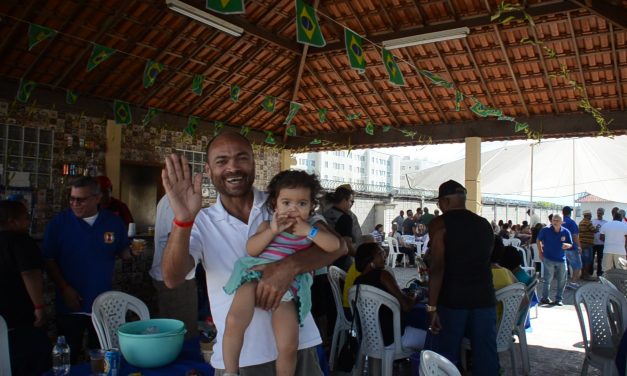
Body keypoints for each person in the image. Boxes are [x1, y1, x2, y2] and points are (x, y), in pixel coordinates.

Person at [160, 131, 345, 375]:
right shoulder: (202, 221)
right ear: (208, 169)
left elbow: (338, 246)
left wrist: (287, 267)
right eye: (222, 161)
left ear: (254, 162)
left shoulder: (285, 201)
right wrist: (183, 220)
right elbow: (171, 277)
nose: (233, 167)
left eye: (241, 158)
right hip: (240, 359)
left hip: (296, 348)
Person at [221, 170, 339, 376]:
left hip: (287, 291)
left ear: (312, 206)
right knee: (234, 322)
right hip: (253, 278)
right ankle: (230, 372)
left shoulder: (311, 230)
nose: (293, 209)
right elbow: (251, 249)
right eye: (286, 203)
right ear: (275, 204)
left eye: (302, 204)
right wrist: (272, 231)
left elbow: (335, 245)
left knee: (288, 344)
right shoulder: (268, 225)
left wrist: (309, 232)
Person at [42, 176, 140, 363]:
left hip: (102, 304)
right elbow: (49, 259)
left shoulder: (113, 222)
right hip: (71, 304)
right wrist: (64, 288)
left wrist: (134, 252)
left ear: (97, 198)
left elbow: (123, 252)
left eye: (81, 199)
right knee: (68, 357)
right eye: (72, 198)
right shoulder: (59, 223)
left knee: (101, 357)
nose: (75, 203)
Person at [427, 180, 498, 374]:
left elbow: (437, 267)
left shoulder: (439, 224)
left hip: (453, 300)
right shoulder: (485, 224)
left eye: (439, 203)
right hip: (484, 298)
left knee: (446, 357)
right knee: (487, 356)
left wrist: (432, 307)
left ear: (445, 202)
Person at [0, 200, 51, 375]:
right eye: (25, 217)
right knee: (34, 364)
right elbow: (30, 274)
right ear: (12, 221)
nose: (28, 221)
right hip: (21, 319)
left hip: (3, 321)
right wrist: (39, 307)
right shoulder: (20, 241)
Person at [353, 242, 426, 350]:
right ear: (370, 259)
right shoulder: (383, 275)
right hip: (393, 339)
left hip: (368, 338)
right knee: (434, 336)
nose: (385, 255)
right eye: (381, 253)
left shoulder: (357, 282)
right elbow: (406, 306)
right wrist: (416, 294)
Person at [151, 194, 198, 338]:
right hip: (178, 276)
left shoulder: (166, 200)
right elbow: (177, 236)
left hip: (169, 274)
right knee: (183, 332)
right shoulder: (176, 201)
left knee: (171, 330)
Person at [536, 214, 572, 306]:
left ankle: (559, 299)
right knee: (547, 279)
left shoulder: (566, 232)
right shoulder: (545, 230)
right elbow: (538, 240)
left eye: (557, 220)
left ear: (561, 222)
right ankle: (545, 298)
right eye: (553, 220)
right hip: (548, 258)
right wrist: (540, 252)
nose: (555, 222)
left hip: (561, 259)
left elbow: (571, 244)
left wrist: (568, 245)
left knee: (562, 280)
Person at [322, 185, 355, 271]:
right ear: (344, 200)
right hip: (339, 263)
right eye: (351, 201)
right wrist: (359, 256)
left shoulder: (325, 213)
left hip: (323, 259)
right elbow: (347, 246)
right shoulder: (345, 218)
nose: (351, 204)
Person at [561, 206, 582, 289]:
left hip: (561, 248)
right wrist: (579, 247)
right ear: (570, 213)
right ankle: (573, 283)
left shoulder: (559, 222)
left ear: (563, 213)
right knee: (577, 266)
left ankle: (562, 283)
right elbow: (575, 236)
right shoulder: (572, 222)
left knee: (563, 266)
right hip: (571, 248)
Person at [578, 210, 597, 281]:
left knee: (583, 260)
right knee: (588, 260)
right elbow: (594, 230)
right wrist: (597, 228)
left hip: (582, 244)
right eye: (590, 215)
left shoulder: (581, 222)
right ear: (588, 216)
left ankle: (582, 275)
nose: (591, 217)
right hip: (588, 244)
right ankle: (586, 275)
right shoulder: (588, 222)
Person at [591, 207, 607, 277]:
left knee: (600, 259)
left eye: (600, 213)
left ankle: (599, 273)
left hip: (601, 244)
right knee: (591, 259)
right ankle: (590, 272)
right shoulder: (592, 221)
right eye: (598, 212)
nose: (599, 214)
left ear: (603, 213)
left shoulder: (606, 222)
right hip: (593, 243)